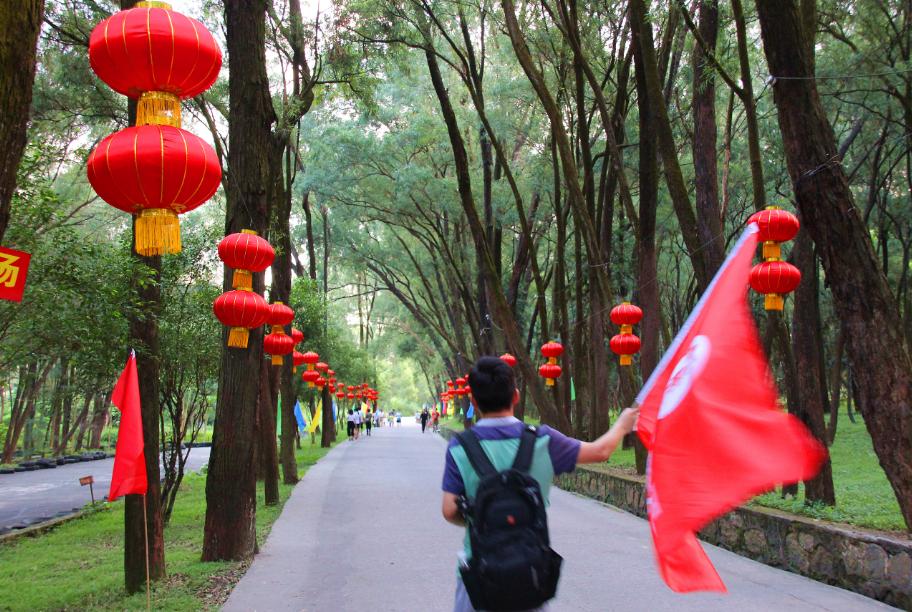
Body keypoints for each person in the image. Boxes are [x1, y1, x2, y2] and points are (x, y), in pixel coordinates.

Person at [441, 356, 638, 612]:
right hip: (529, 573)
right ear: (516, 396)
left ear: (474, 402)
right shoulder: (543, 440)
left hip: (479, 575)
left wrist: (479, 517)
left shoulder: (461, 446)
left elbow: (449, 510)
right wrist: (622, 425)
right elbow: (600, 452)